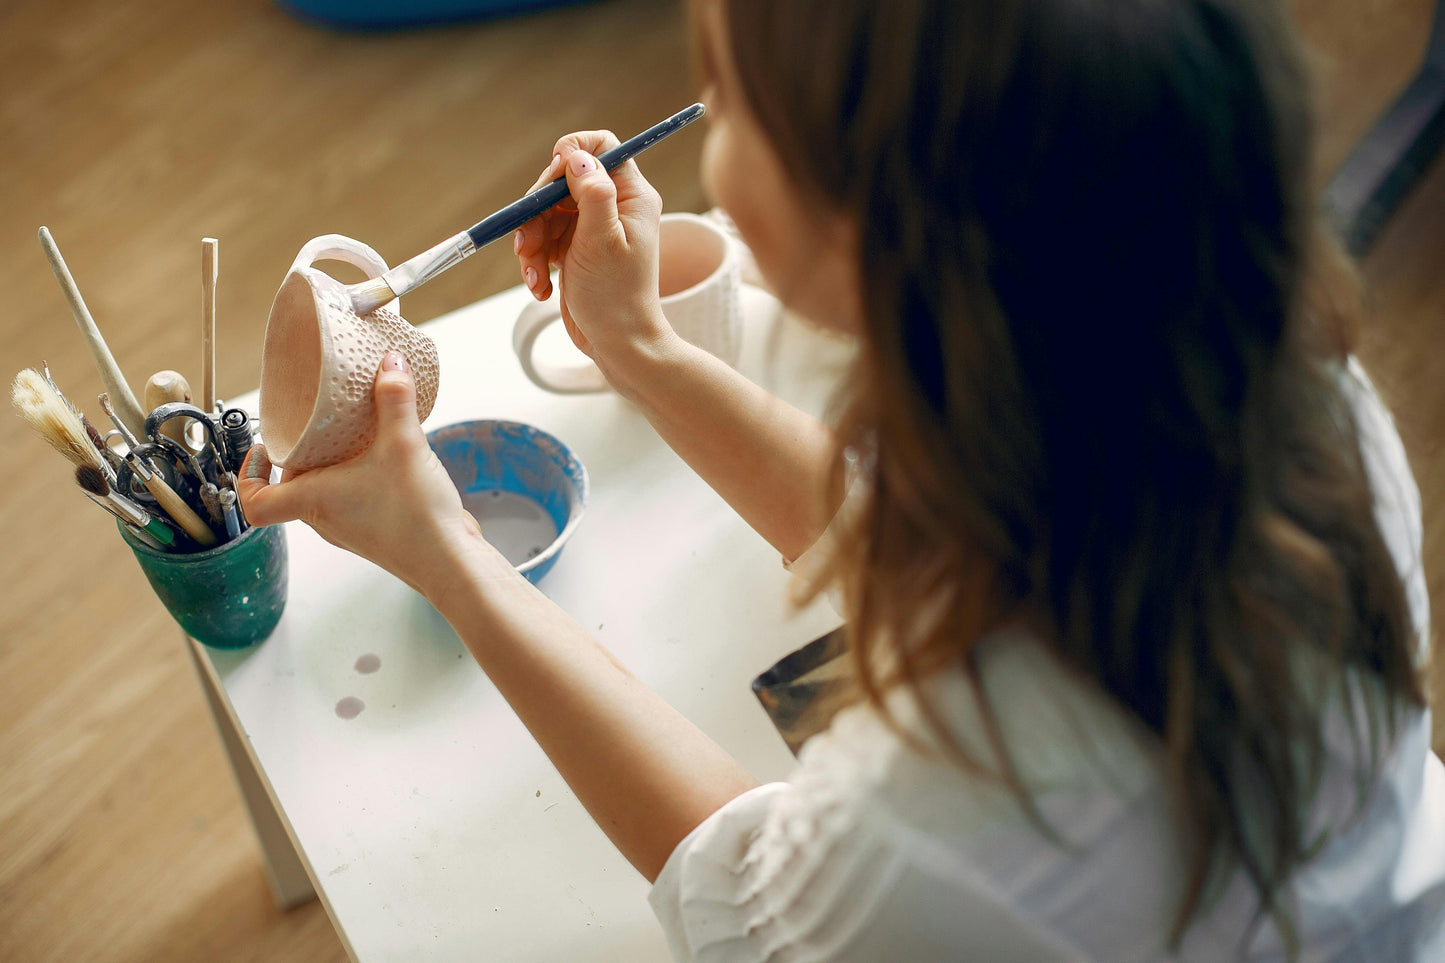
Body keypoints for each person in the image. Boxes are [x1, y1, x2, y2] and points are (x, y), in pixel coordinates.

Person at [239, 0, 1445, 958]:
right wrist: (639, 346)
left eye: (729, 104)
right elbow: (939, 557)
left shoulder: (945, 815)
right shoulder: (1282, 400)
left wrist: (446, 555)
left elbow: (749, 905)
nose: (702, 131)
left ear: (869, 228)